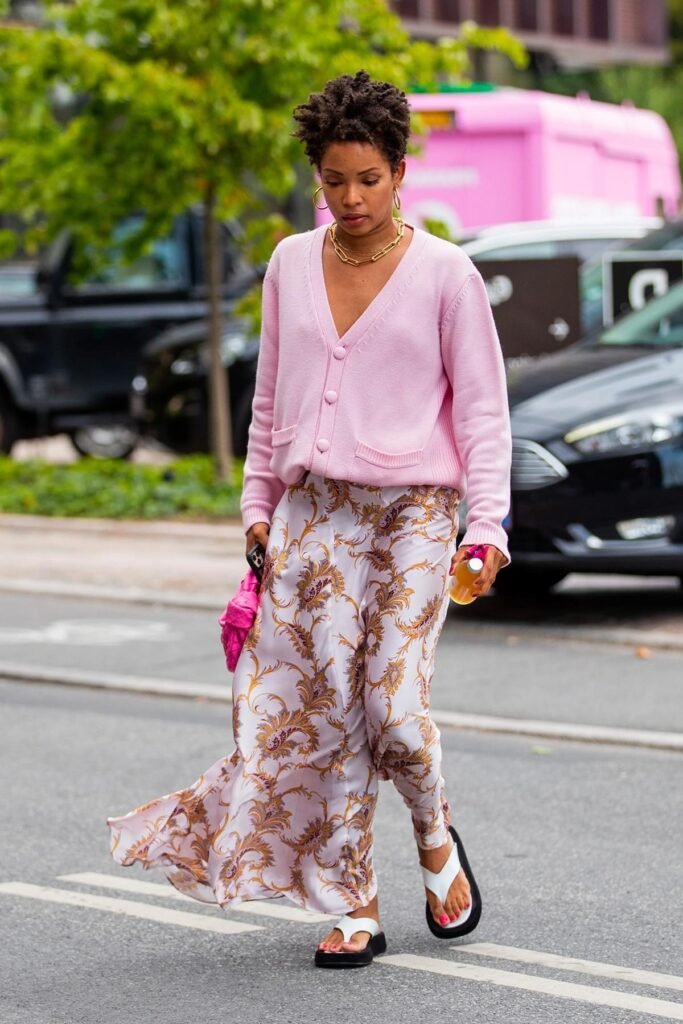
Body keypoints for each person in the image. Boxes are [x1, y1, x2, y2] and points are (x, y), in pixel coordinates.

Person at [107, 70, 511, 970]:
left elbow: (483, 416)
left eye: (368, 178)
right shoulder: (291, 262)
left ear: (400, 172)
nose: (351, 198)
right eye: (334, 180)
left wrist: (486, 528)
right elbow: (268, 404)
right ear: (316, 177)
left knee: (394, 710)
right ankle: (354, 901)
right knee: (327, 715)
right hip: (313, 515)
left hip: (415, 514)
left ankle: (435, 835)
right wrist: (256, 508)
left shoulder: (448, 274)